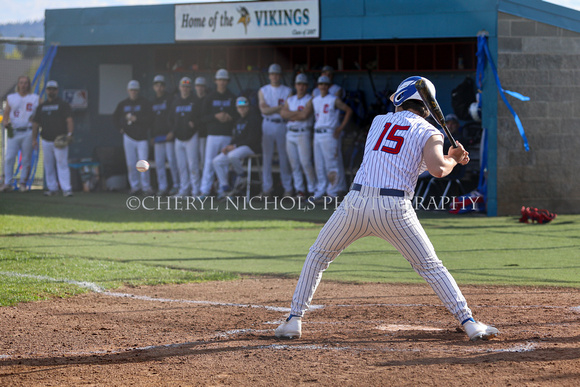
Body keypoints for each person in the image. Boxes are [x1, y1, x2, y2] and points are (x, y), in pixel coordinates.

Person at [275, 76, 500, 342]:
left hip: (355, 203)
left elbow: (406, 154)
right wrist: (454, 158)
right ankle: (469, 322)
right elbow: (438, 169)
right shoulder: (431, 131)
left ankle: (294, 320)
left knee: (318, 256)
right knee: (430, 267)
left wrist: (448, 156)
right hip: (395, 209)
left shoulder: (378, 121)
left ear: (403, 99)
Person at [298, 75, 352, 199]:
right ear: (318, 86)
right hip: (317, 133)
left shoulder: (333, 99)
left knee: (331, 163)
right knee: (319, 164)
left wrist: (340, 128)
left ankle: (333, 191)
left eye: (325, 85)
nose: (323, 87)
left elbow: (348, 110)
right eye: (321, 84)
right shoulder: (315, 99)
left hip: (329, 132)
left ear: (328, 86)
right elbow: (306, 113)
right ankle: (321, 189)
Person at [212, 96, 262, 198]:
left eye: (244, 107)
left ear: (248, 107)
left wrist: (234, 146)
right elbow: (236, 138)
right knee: (216, 161)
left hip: (251, 148)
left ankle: (242, 175)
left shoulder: (254, 119)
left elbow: (252, 139)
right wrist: (228, 147)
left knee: (233, 156)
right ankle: (225, 187)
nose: (242, 109)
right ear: (237, 108)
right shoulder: (239, 121)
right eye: (240, 107)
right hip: (239, 148)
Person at [31, 80, 74, 197]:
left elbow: (69, 120)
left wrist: (69, 135)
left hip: (59, 140)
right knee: (48, 165)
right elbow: (35, 124)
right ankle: (52, 188)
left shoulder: (63, 104)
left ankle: (66, 189)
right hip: (46, 139)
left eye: (53, 89)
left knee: (62, 164)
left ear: (57, 90)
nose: (51, 91)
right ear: (46, 90)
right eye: (49, 89)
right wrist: (34, 139)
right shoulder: (42, 106)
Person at [199, 69, 237, 198]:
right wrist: (215, 116)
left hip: (226, 134)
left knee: (224, 163)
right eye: (219, 80)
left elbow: (237, 115)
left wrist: (230, 117)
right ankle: (205, 190)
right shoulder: (210, 97)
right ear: (215, 81)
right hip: (213, 134)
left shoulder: (232, 96)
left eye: (224, 80)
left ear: (227, 81)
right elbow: (203, 117)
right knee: (209, 162)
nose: (222, 82)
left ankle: (223, 190)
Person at [112, 80, 153, 195]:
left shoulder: (145, 103)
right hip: (128, 137)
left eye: (135, 90)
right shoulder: (123, 104)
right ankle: (135, 187)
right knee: (131, 163)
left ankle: (146, 187)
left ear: (138, 91)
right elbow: (115, 117)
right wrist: (120, 128)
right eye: (131, 90)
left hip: (142, 137)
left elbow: (150, 119)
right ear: (128, 91)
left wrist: (137, 119)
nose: (133, 92)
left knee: (142, 163)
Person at [280, 73, 317, 198]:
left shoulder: (310, 99)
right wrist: (297, 113)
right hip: (290, 132)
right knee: (294, 164)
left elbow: (304, 116)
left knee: (305, 162)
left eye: (303, 84)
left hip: (303, 132)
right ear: (295, 85)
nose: (301, 87)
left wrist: (291, 114)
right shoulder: (290, 99)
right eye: (299, 84)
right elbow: (283, 114)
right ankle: (299, 190)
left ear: (307, 86)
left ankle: (312, 189)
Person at [258, 63, 293, 197]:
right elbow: (263, 110)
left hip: (282, 124)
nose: (274, 76)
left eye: (277, 74)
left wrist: (271, 109)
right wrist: (279, 107)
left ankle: (288, 189)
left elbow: (287, 110)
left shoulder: (287, 90)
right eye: (272, 74)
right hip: (267, 123)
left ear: (280, 75)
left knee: (284, 157)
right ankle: (267, 188)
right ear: (269, 75)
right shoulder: (263, 90)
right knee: (267, 157)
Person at [1, 75, 39, 192]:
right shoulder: (11, 97)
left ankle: (23, 183)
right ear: (18, 84)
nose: (23, 85)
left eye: (25, 83)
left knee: (26, 158)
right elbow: (6, 113)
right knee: (9, 157)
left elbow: (41, 111)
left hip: (28, 131)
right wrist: (5, 122)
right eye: (21, 83)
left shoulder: (35, 98)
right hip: (15, 130)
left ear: (29, 85)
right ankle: (8, 182)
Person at [168, 77, 200, 197]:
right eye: (183, 86)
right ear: (180, 87)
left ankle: (195, 191)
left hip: (191, 136)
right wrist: (173, 130)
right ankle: (183, 189)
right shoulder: (175, 102)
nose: (185, 89)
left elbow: (201, 117)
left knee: (193, 164)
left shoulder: (195, 101)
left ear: (190, 88)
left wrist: (195, 123)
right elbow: (170, 119)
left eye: (187, 87)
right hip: (178, 137)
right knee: (181, 165)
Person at [151, 75, 180, 196]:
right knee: (159, 163)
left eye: (161, 85)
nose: (159, 88)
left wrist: (172, 131)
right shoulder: (152, 101)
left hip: (168, 136)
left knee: (172, 161)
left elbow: (174, 117)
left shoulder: (170, 99)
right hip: (158, 137)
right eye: (157, 86)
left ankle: (176, 185)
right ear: (154, 87)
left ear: (164, 86)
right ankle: (162, 187)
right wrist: (151, 136)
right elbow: (151, 120)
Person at [193, 77, 209, 174]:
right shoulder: (193, 100)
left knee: (204, 159)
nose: (200, 88)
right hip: (193, 135)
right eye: (198, 86)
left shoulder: (208, 99)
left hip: (205, 133)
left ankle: (205, 183)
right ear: (195, 87)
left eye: (202, 86)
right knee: (194, 160)